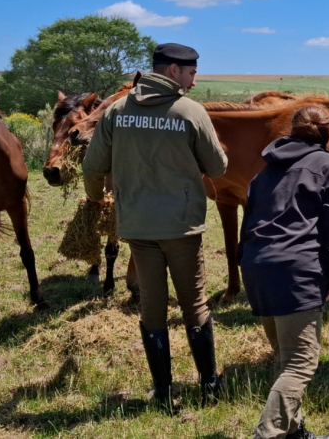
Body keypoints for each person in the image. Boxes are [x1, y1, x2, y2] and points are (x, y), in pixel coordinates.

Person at [82, 43, 228, 409]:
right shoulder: (190, 112)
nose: (194, 81)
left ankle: (162, 392)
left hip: (137, 227)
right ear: (174, 70)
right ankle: (209, 386)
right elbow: (218, 168)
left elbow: (92, 165)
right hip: (181, 228)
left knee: (152, 307)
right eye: (191, 73)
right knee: (194, 304)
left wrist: (98, 199)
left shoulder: (117, 111)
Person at [238, 105, 329, 439]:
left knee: (285, 357)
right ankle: (269, 434)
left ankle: (294, 432)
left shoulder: (265, 171)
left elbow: (249, 221)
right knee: (300, 362)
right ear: (328, 132)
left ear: (291, 131)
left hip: (257, 269)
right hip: (296, 271)